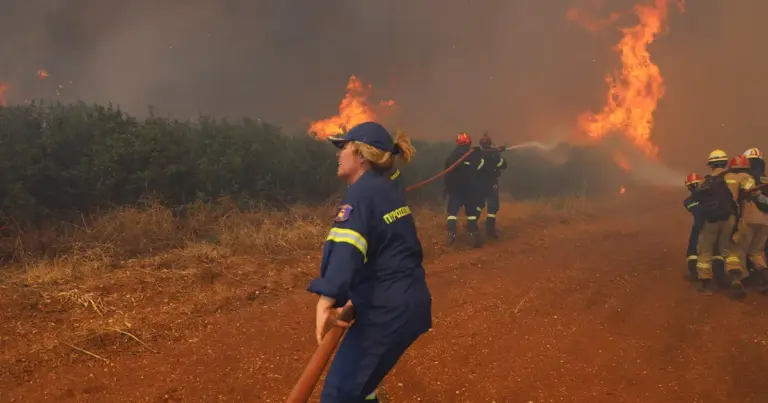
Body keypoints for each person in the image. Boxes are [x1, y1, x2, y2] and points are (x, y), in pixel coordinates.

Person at [307, 121, 433, 402]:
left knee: (339, 395)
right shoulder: (387, 189)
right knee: (361, 388)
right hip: (406, 305)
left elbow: (347, 248)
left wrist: (328, 299)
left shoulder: (362, 195)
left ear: (361, 155)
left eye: (344, 147)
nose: (338, 154)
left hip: (386, 312)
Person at [693, 150, 755, 297]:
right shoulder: (735, 177)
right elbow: (751, 188)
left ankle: (705, 285)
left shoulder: (704, 181)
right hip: (730, 219)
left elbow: (698, 200)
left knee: (705, 251)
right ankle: (735, 279)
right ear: (725, 162)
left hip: (710, 221)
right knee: (731, 251)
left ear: (711, 165)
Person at [443, 132, 484, 247]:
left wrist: (448, 187)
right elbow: (480, 165)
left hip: (455, 190)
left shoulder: (452, 155)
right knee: (471, 213)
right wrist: (479, 153)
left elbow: (447, 171)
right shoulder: (472, 154)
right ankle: (473, 235)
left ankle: (451, 234)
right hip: (469, 189)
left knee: (452, 212)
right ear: (469, 142)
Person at [739, 148, 768, 291]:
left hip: (750, 218)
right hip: (766, 222)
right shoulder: (766, 180)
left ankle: (743, 281)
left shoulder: (745, 178)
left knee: (740, 250)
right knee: (756, 252)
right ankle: (764, 276)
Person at [477, 133, 508, 238]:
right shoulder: (494, 154)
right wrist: (497, 154)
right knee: (493, 207)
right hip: (491, 183)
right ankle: (489, 231)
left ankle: (472, 226)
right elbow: (503, 165)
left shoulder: (477, 153)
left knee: (478, 205)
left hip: (479, 183)